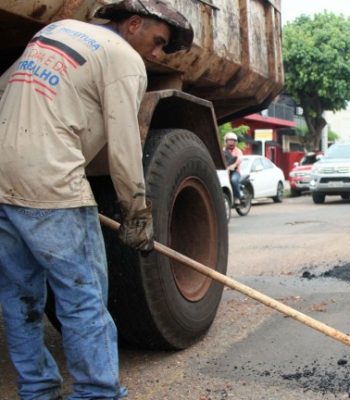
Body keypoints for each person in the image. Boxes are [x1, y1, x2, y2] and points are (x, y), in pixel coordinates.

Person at [0, 1, 192, 398]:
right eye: (158, 42)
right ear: (134, 23)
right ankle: (98, 391)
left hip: (3, 183)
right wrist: (136, 214)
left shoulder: (53, 32)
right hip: (54, 185)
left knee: (19, 298)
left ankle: (37, 389)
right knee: (82, 298)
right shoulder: (124, 58)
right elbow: (124, 145)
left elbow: (5, 87)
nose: (158, 54)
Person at [223, 132, 245, 203]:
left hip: (235, 172)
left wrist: (234, 165)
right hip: (225, 171)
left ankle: (237, 197)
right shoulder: (223, 150)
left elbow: (240, 159)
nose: (231, 143)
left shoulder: (238, 151)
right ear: (226, 141)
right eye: (229, 141)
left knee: (234, 180)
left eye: (233, 141)